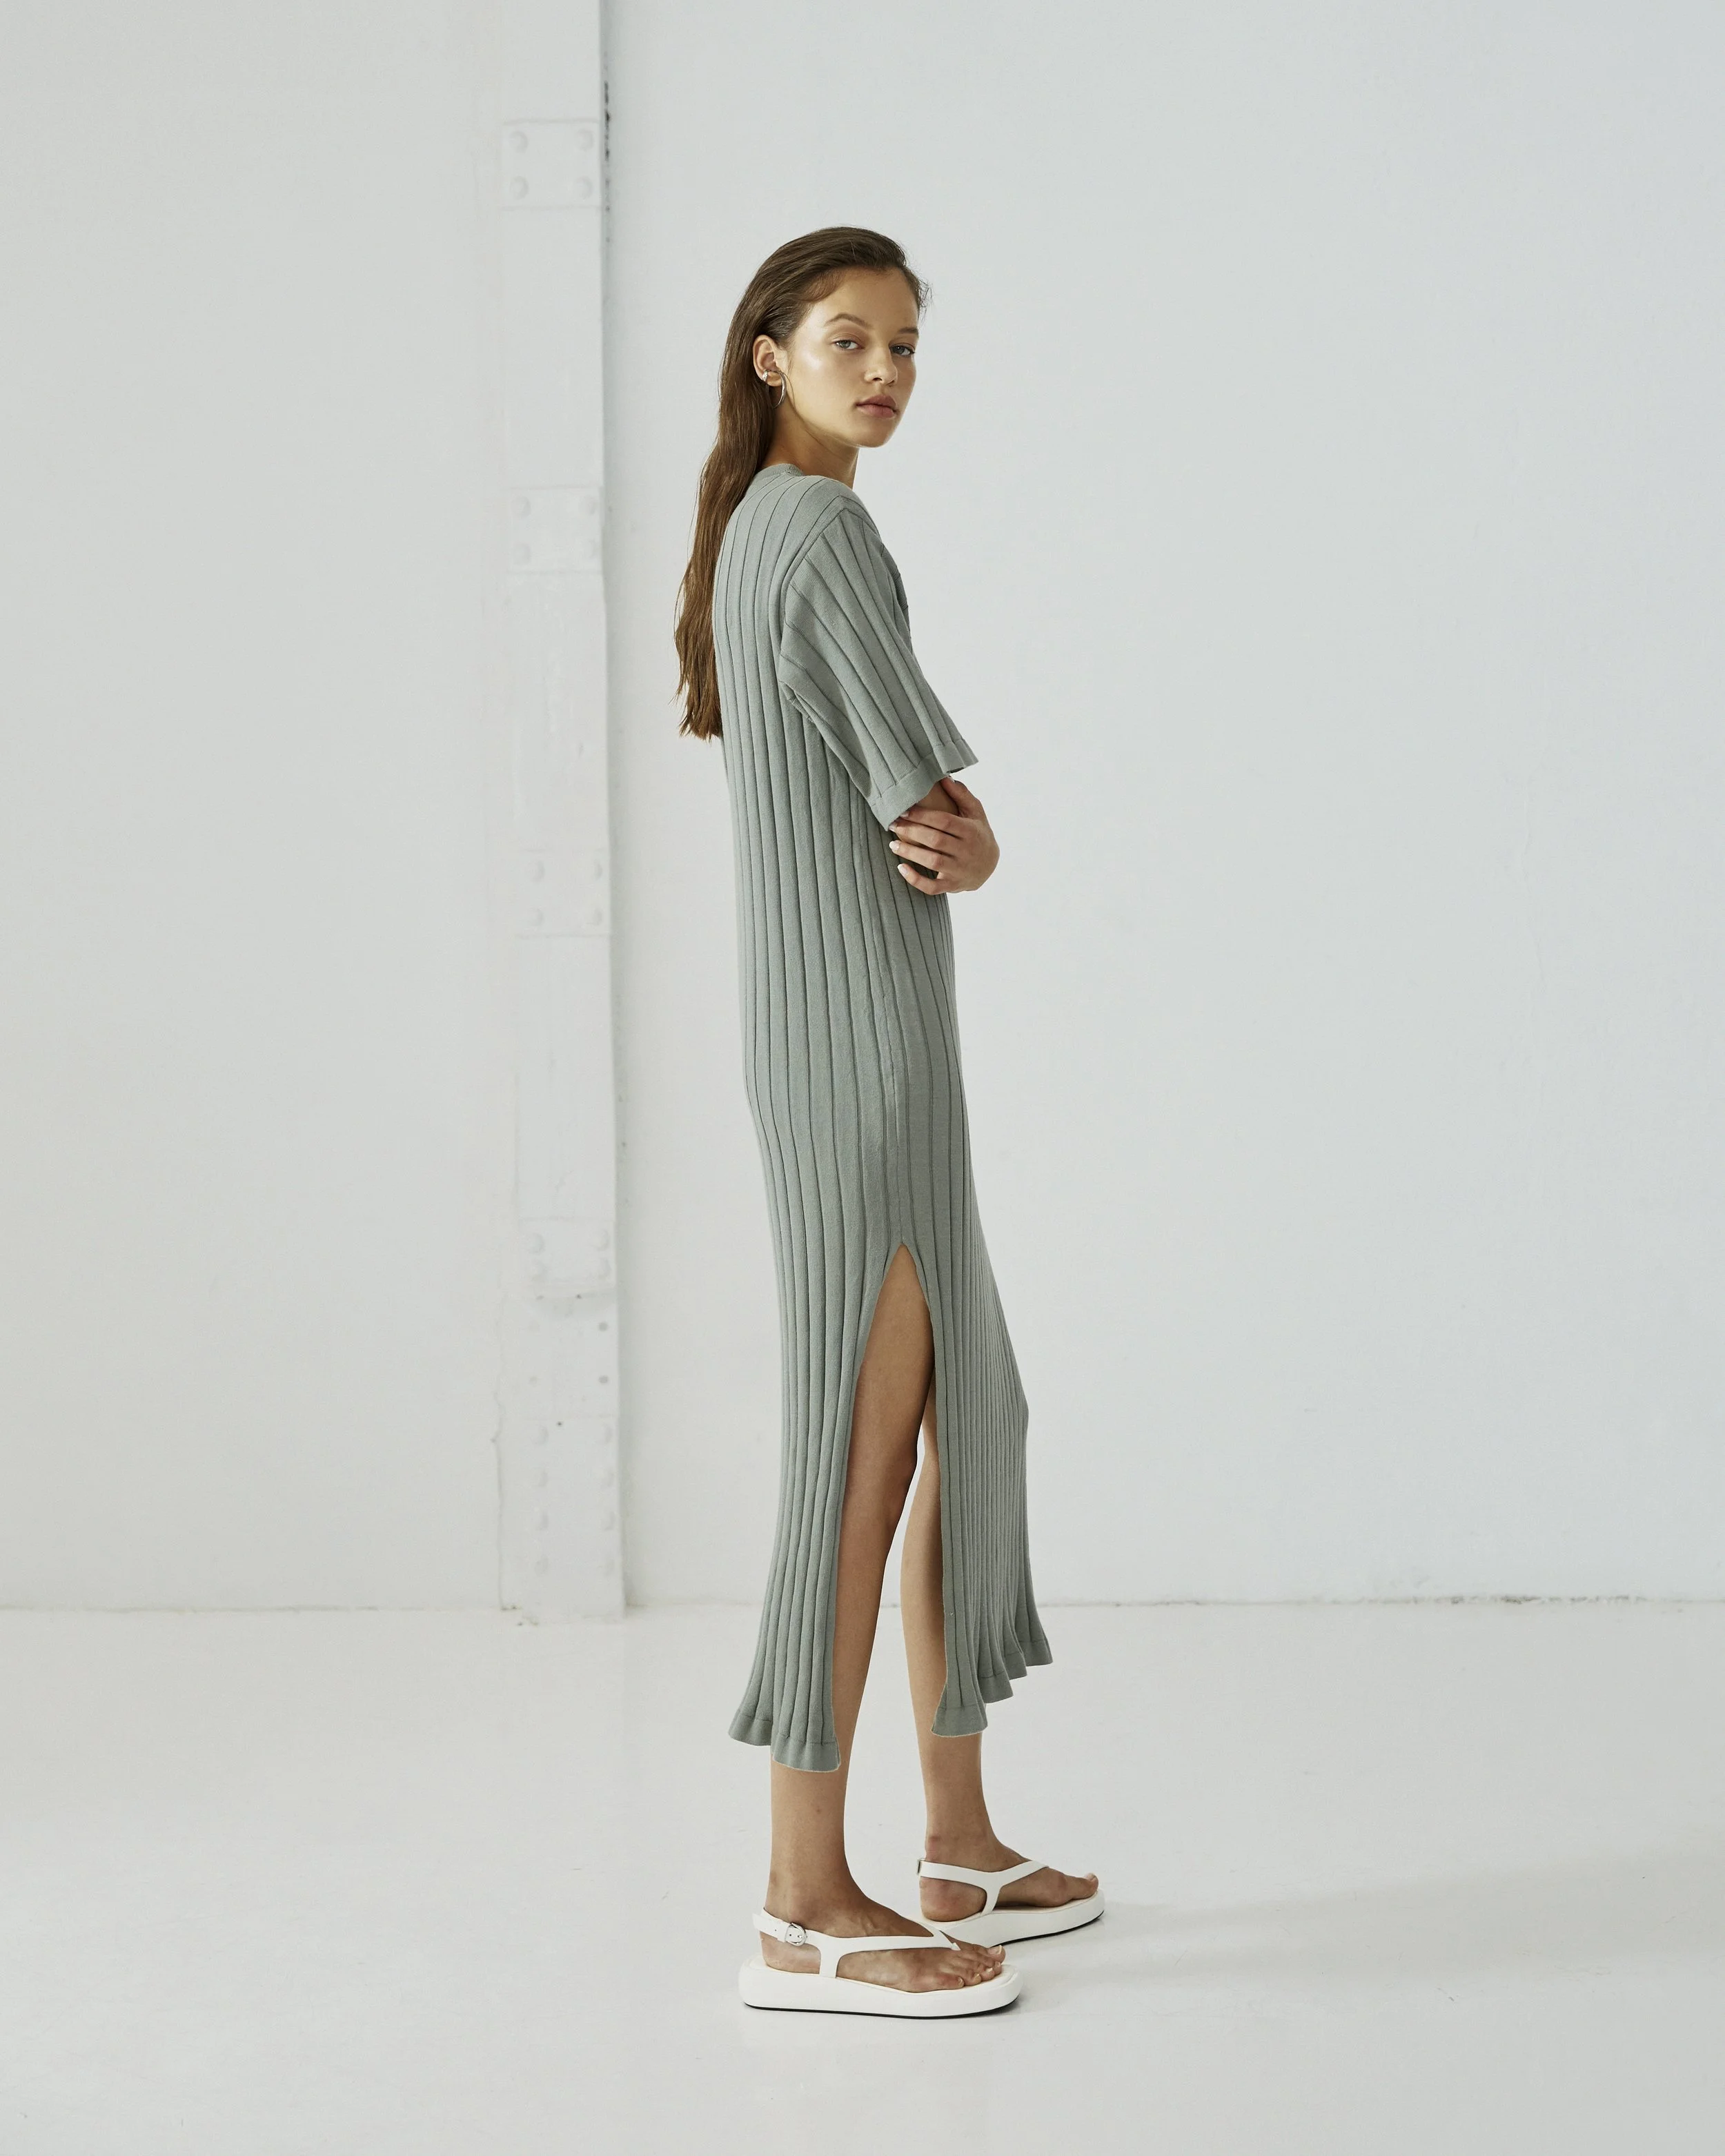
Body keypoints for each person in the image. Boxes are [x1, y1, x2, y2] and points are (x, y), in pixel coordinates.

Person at [676, 228, 1101, 2018]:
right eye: (849, 339)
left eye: (906, 345)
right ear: (768, 354)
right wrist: (979, 848)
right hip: (855, 1058)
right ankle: (799, 1898)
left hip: (867, 1045)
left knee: (964, 1409)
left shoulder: (766, 528)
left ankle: (956, 1839)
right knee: (856, 1452)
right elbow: (928, 804)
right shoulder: (814, 529)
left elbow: (898, 813)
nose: (886, 372)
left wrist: (960, 847)